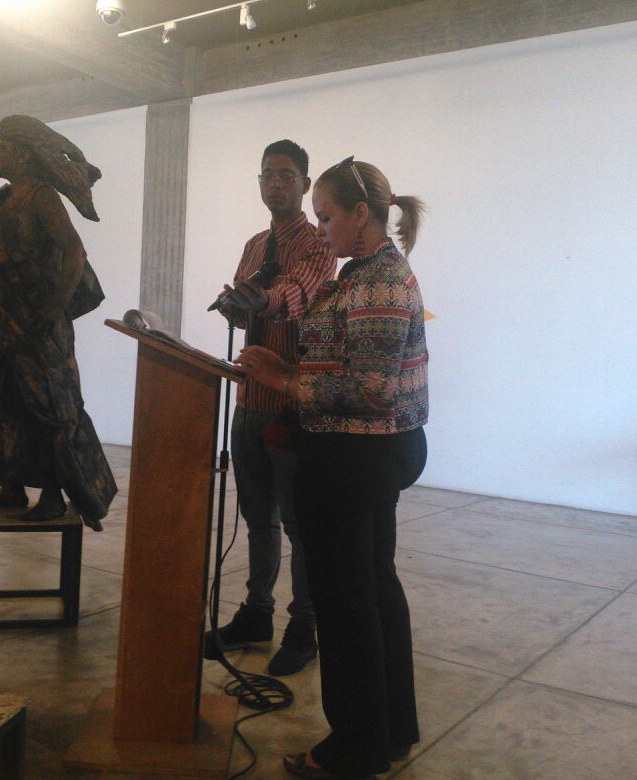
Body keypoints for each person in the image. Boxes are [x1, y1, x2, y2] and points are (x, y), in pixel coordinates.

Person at [237, 157, 428, 778]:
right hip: (359, 452)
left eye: (326, 217)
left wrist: (284, 381)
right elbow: (343, 353)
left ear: (361, 214)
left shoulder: (378, 282)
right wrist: (287, 361)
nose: (320, 230)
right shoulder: (364, 273)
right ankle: (389, 730)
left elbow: (371, 389)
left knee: (347, 604)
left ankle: (354, 748)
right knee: (372, 591)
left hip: (354, 454)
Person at [0, 115, 116, 528]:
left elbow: (74, 252)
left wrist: (52, 308)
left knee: (44, 406)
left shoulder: (41, 199)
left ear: (23, 156)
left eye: (1, 148)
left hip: (33, 324)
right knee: (3, 404)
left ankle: (54, 494)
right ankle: (12, 485)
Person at [205, 139, 335, 675]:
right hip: (249, 398)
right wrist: (236, 308)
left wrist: (263, 299)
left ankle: (304, 625)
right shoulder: (255, 244)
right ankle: (256, 612)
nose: (274, 185)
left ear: (305, 183)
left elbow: (298, 294)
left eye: (285, 175)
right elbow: (250, 311)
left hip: (291, 403)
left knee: (299, 523)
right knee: (257, 517)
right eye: (266, 175)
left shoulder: (319, 243)